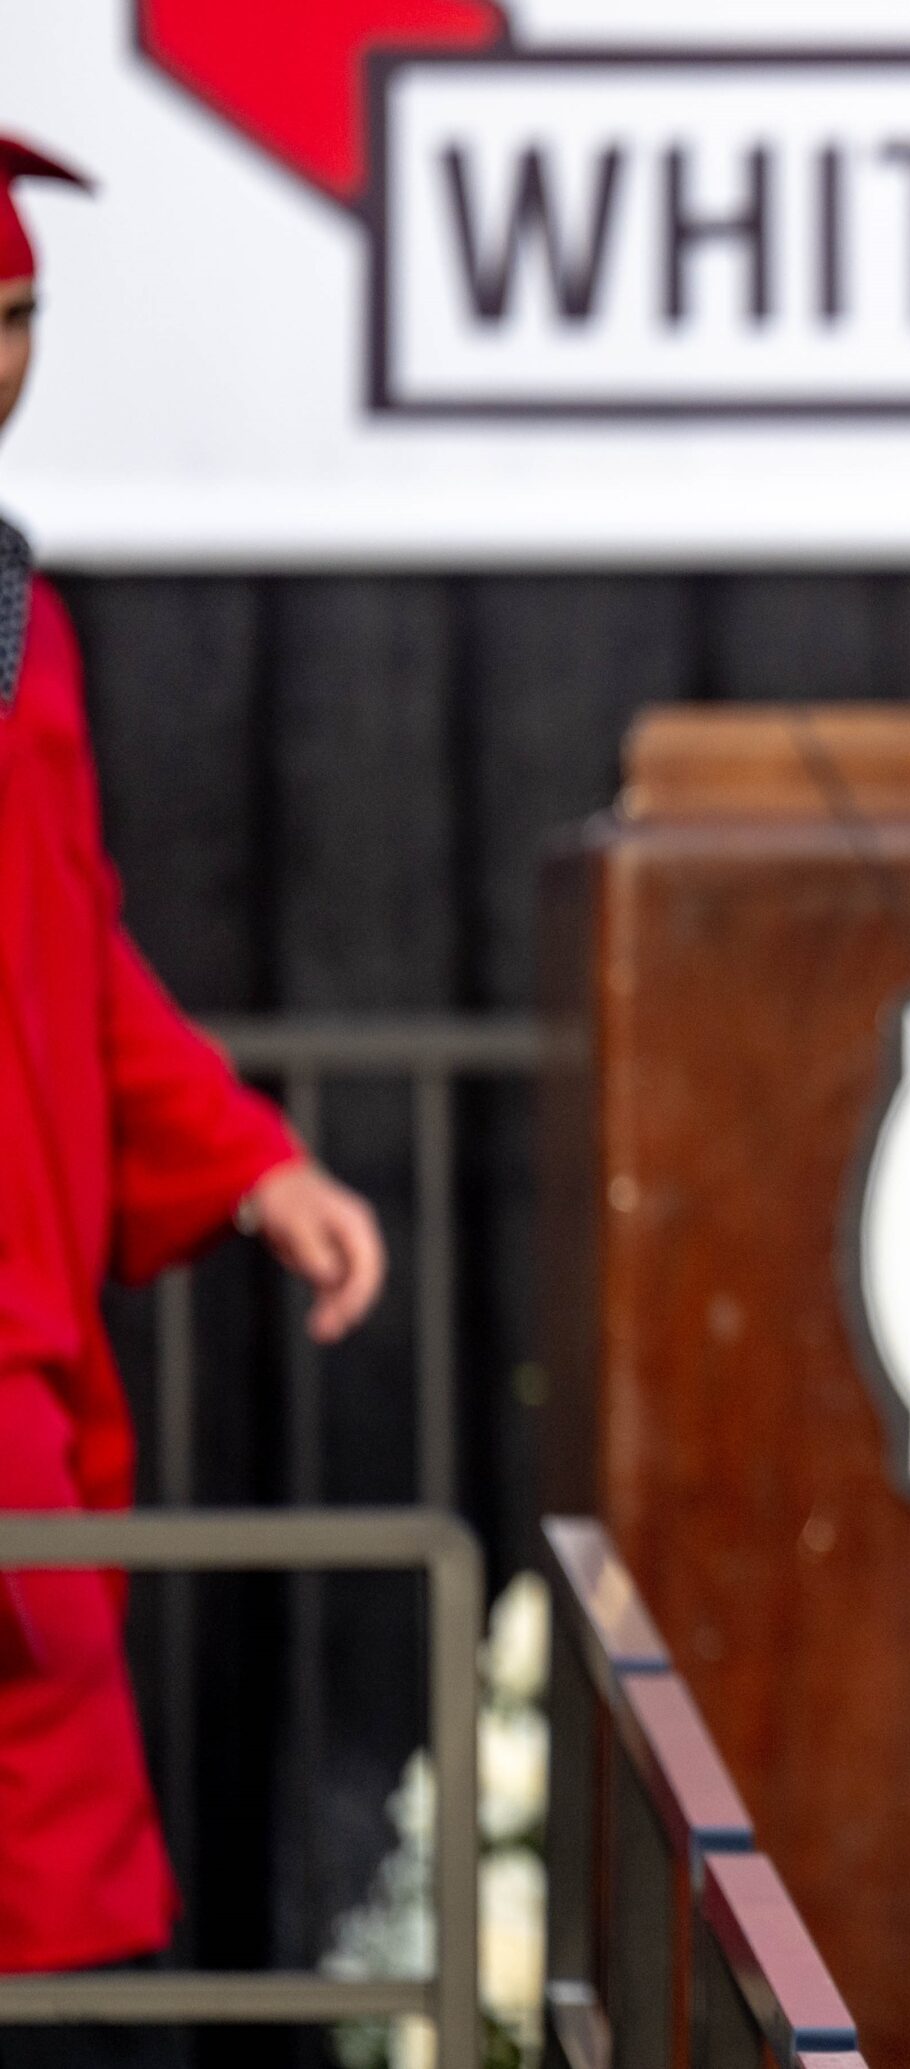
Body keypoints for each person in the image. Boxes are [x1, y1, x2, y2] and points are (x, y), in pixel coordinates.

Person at [0, 135, 388, 2049]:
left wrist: (245, 1161)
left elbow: (67, 949)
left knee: (61, 1872)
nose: (10, 357)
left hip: (29, 1365)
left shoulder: (21, 620)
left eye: (21, 315)